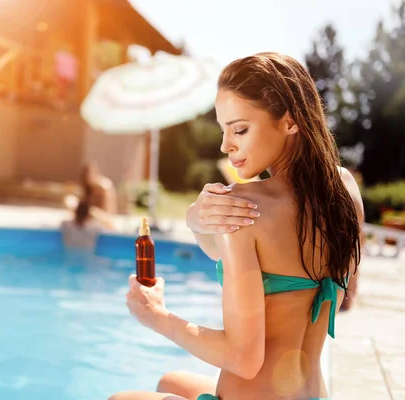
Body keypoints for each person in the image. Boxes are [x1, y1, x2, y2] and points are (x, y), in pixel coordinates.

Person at [110, 52, 364, 400]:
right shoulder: (346, 190)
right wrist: (194, 219)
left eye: (240, 129)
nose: (226, 144)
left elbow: (243, 360)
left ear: (290, 122)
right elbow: (343, 297)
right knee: (171, 380)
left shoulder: (242, 207)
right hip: (310, 394)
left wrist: (156, 315)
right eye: (224, 130)